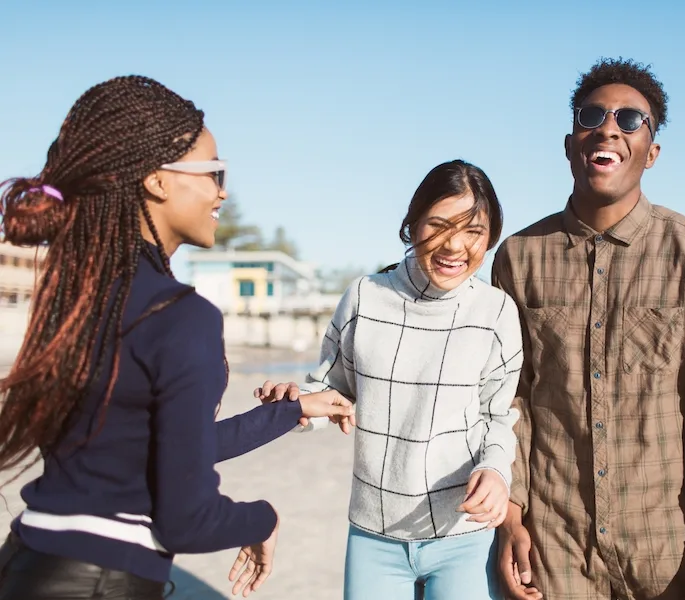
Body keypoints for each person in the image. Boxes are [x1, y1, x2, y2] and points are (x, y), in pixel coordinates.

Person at [0, 75, 354, 600]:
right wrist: (263, 518)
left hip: (24, 563)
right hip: (101, 582)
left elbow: (155, 450)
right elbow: (186, 521)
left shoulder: (78, 297)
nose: (223, 191)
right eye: (214, 172)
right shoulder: (182, 315)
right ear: (158, 181)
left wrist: (292, 410)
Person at [491, 58, 685, 600]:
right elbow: (507, 401)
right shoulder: (518, 259)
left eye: (630, 120)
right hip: (553, 547)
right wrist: (510, 521)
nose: (609, 127)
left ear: (651, 153)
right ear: (571, 144)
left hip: (666, 549)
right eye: (592, 116)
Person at [258, 159, 523, 600]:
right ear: (411, 225)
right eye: (438, 226)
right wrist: (293, 402)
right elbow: (331, 391)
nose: (455, 246)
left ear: (491, 236)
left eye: (473, 232)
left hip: (464, 532)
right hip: (373, 532)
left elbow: (498, 417)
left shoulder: (496, 312)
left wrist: (496, 471)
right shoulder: (365, 296)